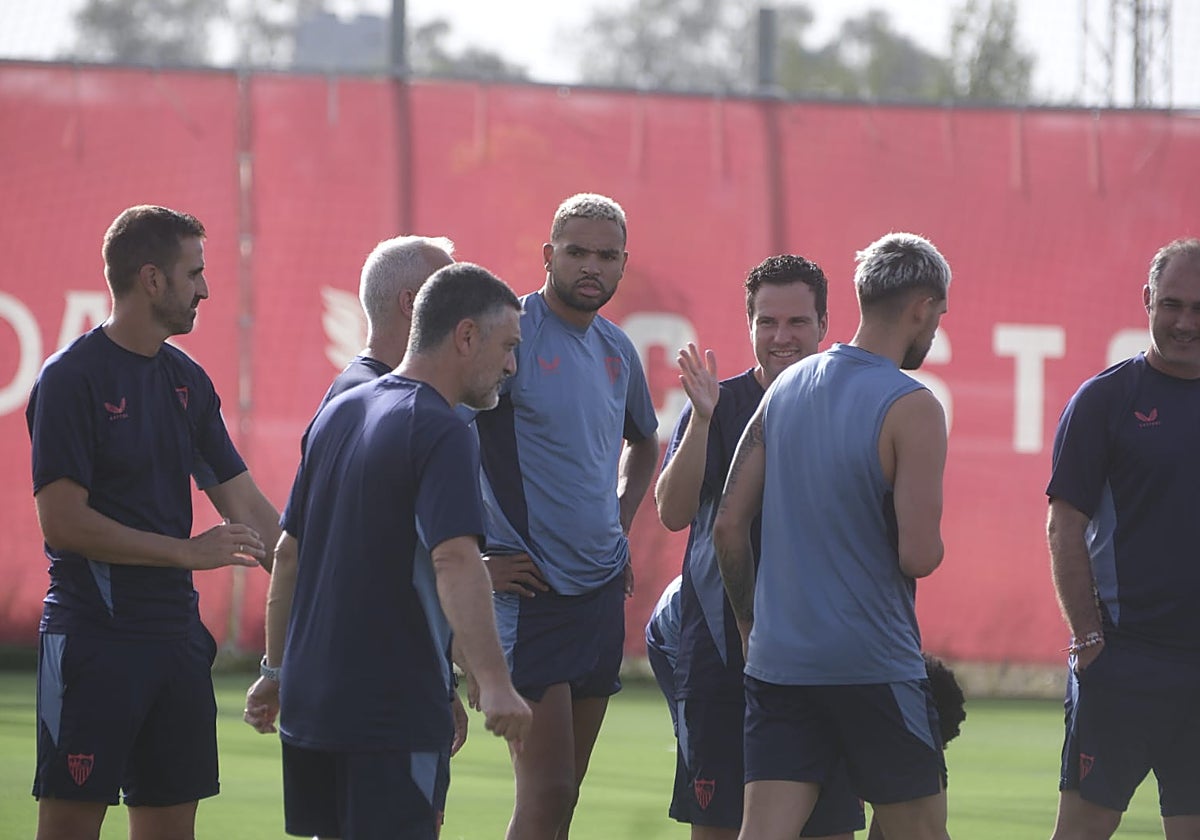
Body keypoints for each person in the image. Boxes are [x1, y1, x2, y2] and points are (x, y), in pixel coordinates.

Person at [25, 205, 281, 840]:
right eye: (193, 272)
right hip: (93, 642)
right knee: (68, 827)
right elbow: (63, 524)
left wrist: (333, 591)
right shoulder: (70, 378)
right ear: (151, 279)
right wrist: (185, 553)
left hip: (175, 645)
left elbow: (246, 507)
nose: (205, 289)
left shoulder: (187, 381)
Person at [255, 262, 533, 839]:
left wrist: (277, 670)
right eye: (507, 346)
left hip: (313, 706)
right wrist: (494, 678)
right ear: (465, 336)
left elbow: (287, 554)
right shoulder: (441, 428)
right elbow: (454, 560)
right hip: (388, 714)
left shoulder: (339, 409)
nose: (511, 364)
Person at [714, 232, 953, 840]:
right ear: (922, 306)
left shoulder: (784, 389)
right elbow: (918, 555)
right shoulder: (912, 405)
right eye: (939, 315)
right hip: (873, 663)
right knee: (917, 829)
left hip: (779, 665)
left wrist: (750, 625)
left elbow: (728, 524)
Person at [471, 192, 660, 840]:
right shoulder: (510, 334)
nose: (591, 266)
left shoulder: (615, 348)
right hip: (531, 592)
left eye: (606, 256)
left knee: (565, 798)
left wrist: (619, 521)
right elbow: (433, 443)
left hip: (599, 592)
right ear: (548, 255)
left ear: (622, 264)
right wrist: (470, 561)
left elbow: (645, 441)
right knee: (546, 792)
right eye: (577, 251)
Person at [656, 254, 862, 840]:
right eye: (767, 322)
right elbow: (671, 511)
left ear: (824, 324)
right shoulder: (715, 407)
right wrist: (699, 420)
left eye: (797, 322)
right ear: (748, 325)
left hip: (826, 662)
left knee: (828, 828)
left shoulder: (850, 404)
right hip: (722, 660)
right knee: (720, 827)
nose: (782, 337)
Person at [243, 234, 462, 749]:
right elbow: (377, 562)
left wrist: (277, 668)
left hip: (343, 682)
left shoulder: (352, 396)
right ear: (414, 304)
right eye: (449, 291)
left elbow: (293, 549)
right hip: (387, 687)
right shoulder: (396, 407)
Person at [1046, 238, 1200, 840]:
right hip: (1123, 662)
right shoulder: (1106, 400)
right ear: (1147, 301)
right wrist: (1089, 642)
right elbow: (1063, 526)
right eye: (1173, 305)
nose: (1186, 322)